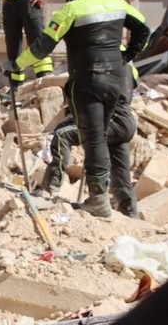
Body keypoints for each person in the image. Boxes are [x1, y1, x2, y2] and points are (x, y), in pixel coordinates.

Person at [6, 0, 150, 218]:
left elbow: (41, 48)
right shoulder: (116, 3)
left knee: (93, 137)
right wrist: (125, 57)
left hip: (87, 82)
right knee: (104, 138)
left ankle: (97, 199)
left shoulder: (70, 11)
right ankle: (122, 207)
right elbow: (144, 30)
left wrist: (16, 65)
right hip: (115, 81)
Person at [42, 64, 140, 217]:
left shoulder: (103, 58)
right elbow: (133, 84)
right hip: (126, 120)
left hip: (112, 119)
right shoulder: (128, 64)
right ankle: (131, 215)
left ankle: (49, 190)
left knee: (63, 135)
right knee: (121, 174)